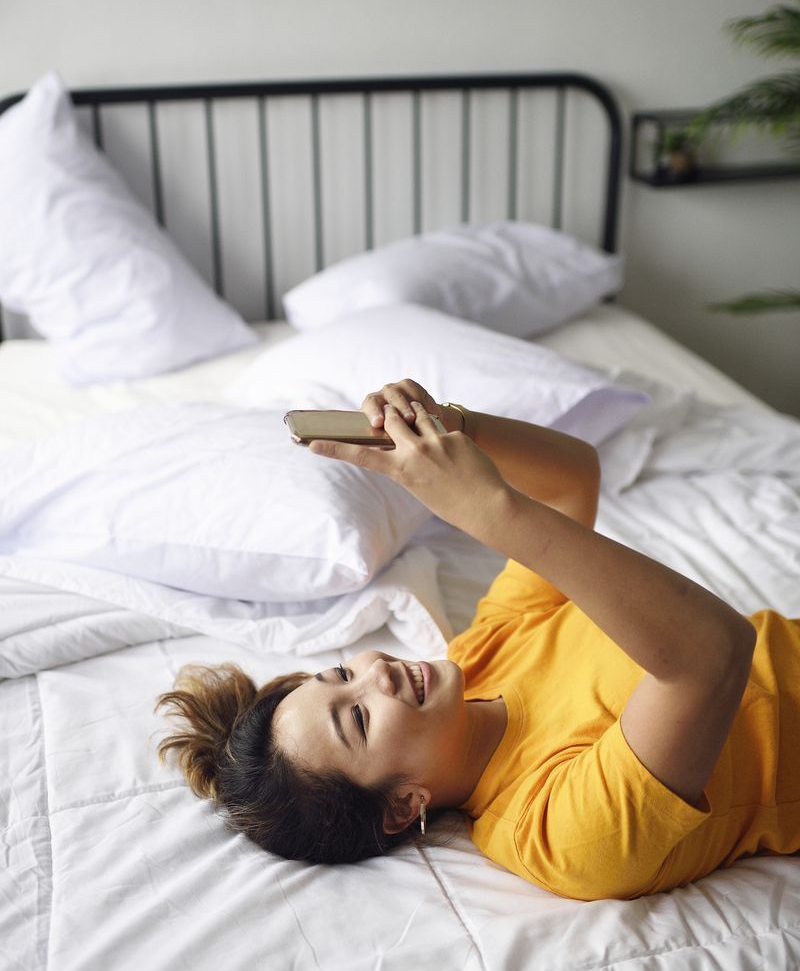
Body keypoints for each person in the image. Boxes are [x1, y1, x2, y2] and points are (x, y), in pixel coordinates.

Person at [156, 379, 800, 900]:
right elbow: (713, 655)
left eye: (341, 674)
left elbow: (571, 481)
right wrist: (488, 510)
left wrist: (449, 427)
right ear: (403, 807)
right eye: (356, 717)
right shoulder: (555, 833)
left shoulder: (478, 659)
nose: (376, 671)